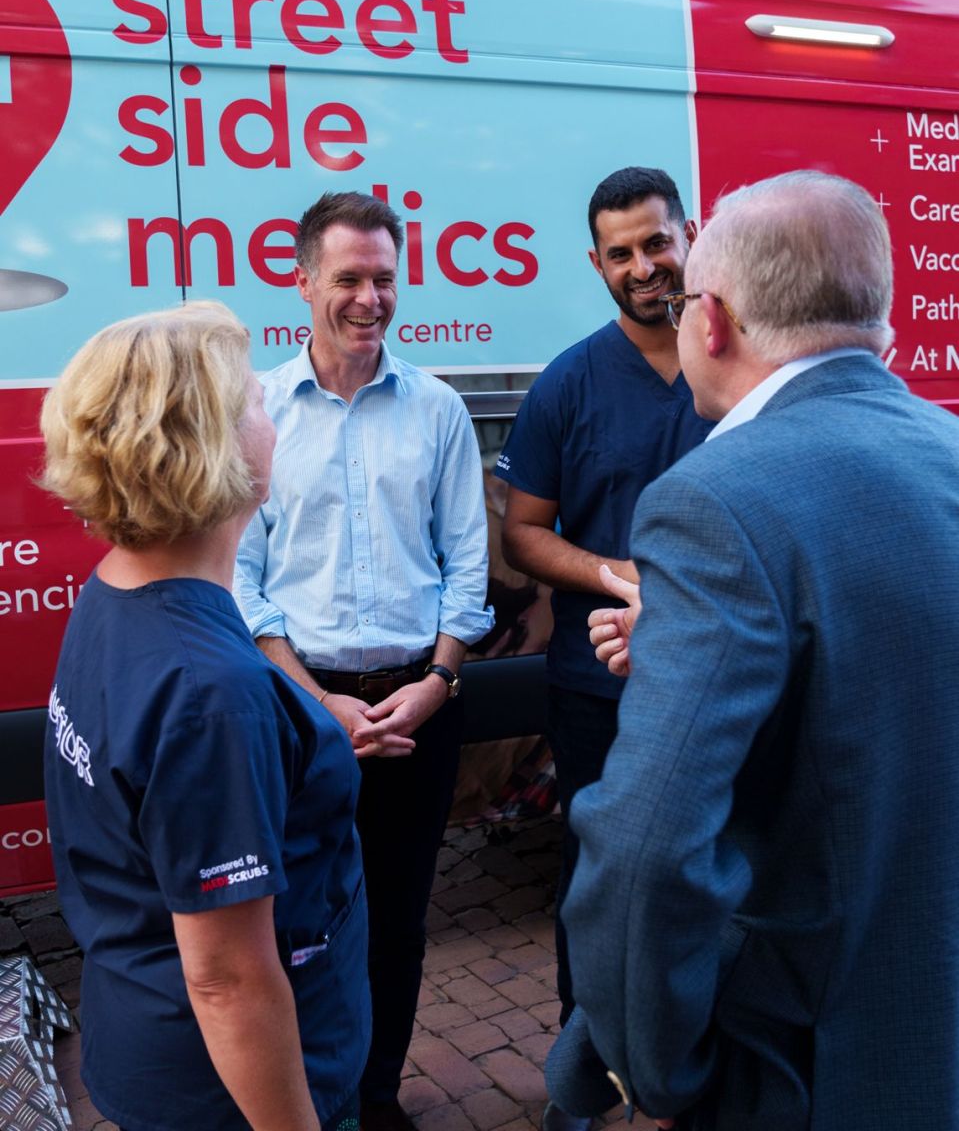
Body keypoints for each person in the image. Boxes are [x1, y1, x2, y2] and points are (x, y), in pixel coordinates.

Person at [545, 170, 959, 1131]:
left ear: (714, 320)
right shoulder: (942, 448)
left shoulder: (715, 499)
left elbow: (647, 854)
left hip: (808, 1060)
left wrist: (656, 1073)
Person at [40, 301, 369, 1131]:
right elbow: (226, 977)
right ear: (206, 444)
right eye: (253, 401)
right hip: (227, 1096)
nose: (270, 411)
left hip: (146, 1034)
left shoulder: (118, 589)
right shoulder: (210, 693)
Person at [233, 191, 493, 1131]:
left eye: (384, 278)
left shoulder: (437, 410)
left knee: (397, 920)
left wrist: (437, 682)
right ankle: (306, 1100)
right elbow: (243, 577)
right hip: (298, 710)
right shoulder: (256, 409)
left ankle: (375, 1096)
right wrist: (316, 705)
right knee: (296, 919)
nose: (369, 298)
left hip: (419, 706)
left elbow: (468, 563)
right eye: (348, 278)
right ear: (302, 281)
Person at [493, 166, 712, 1130]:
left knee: (715, 875)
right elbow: (523, 533)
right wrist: (610, 573)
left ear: (690, 235)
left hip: (718, 679)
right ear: (594, 264)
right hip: (598, 690)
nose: (641, 266)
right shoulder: (569, 382)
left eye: (656, 242)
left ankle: (700, 1069)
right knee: (596, 885)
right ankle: (580, 1085)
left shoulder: (736, 362)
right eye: (619, 253)